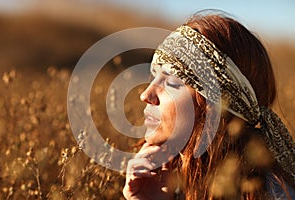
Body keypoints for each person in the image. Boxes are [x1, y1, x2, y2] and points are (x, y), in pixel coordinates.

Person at [123, 11, 295, 200]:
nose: (145, 94)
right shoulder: (168, 181)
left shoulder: (272, 194)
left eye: (172, 83)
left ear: (218, 106)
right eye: (153, 75)